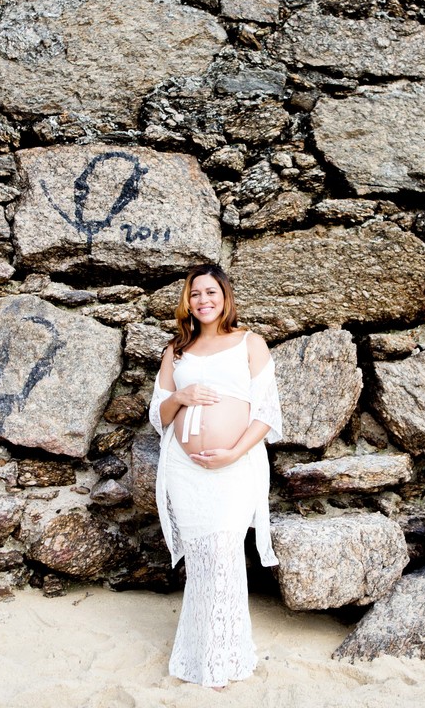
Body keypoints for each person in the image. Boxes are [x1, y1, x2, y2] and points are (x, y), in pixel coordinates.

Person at [147, 263, 282, 689]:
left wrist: (232, 453)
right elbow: (159, 416)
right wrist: (182, 395)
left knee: (224, 554)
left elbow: (266, 412)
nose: (203, 300)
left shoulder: (249, 343)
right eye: (195, 294)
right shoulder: (176, 351)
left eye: (211, 293)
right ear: (186, 302)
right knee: (204, 561)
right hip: (185, 470)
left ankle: (224, 657)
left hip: (234, 466)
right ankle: (198, 654)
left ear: (225, 297)